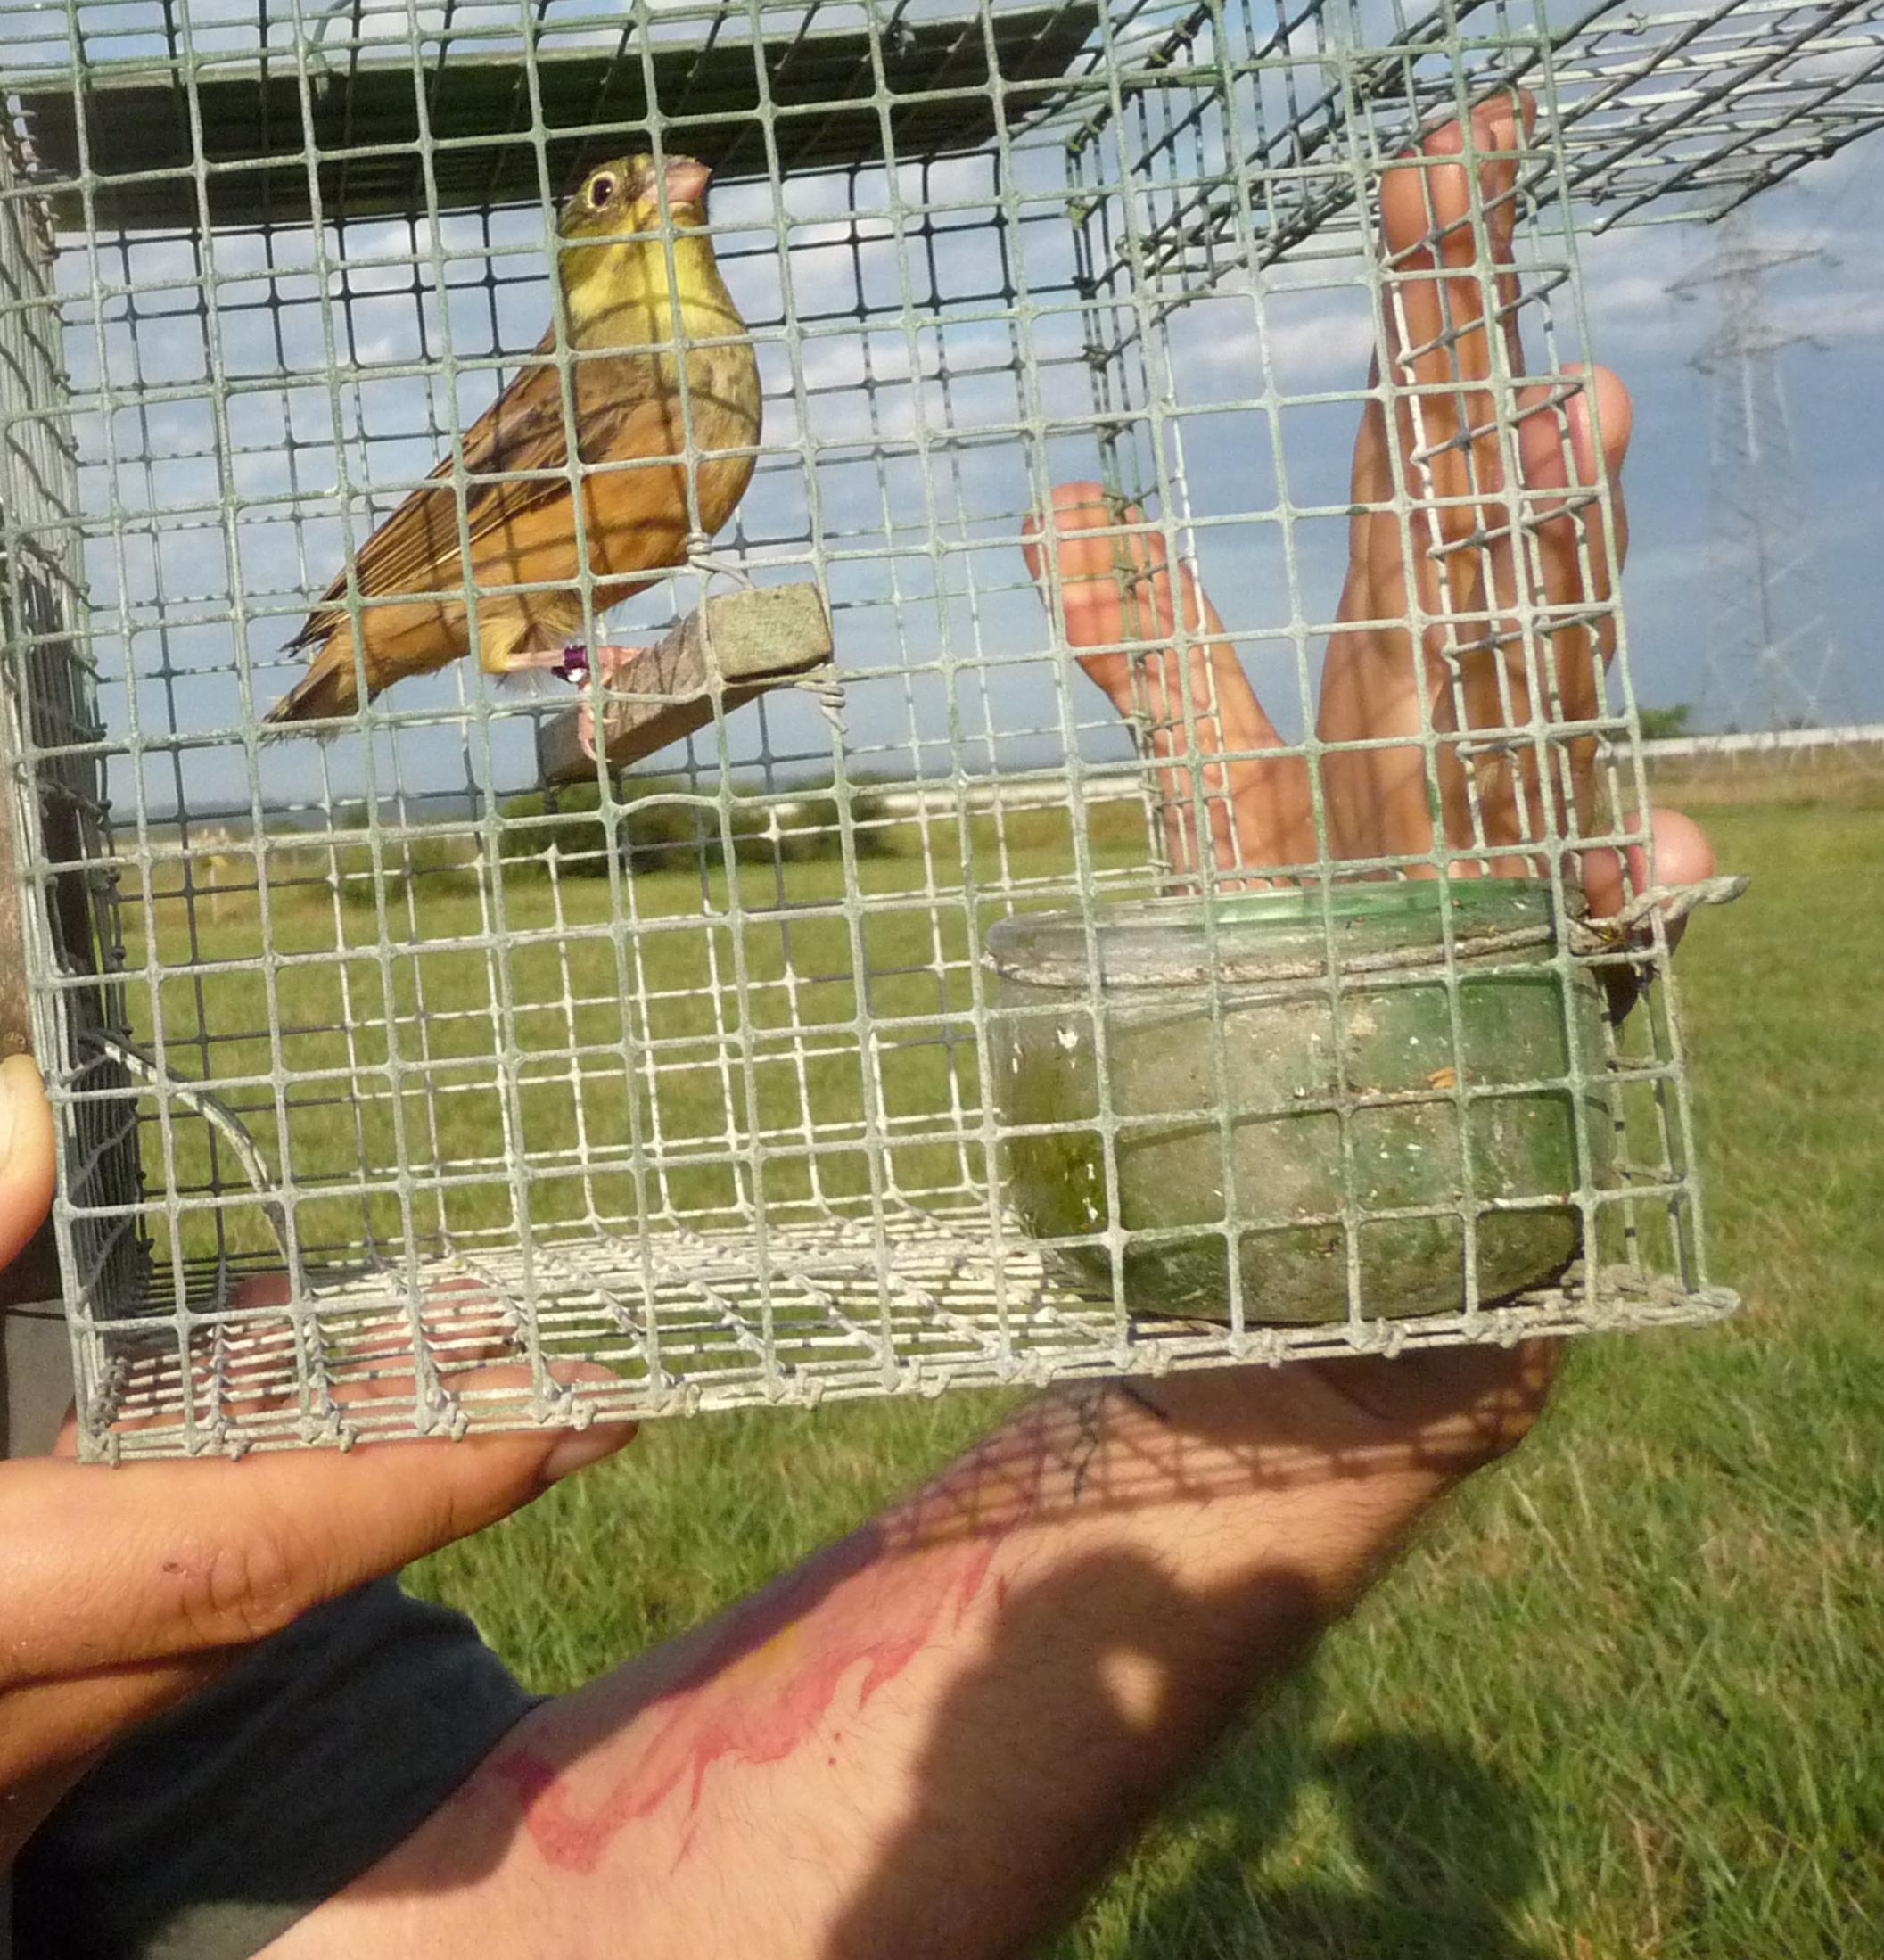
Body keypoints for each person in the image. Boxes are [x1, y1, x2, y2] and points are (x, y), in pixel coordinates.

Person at [2, 98, 1715, 1958]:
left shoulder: (65, 1413)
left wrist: (1304, 1385)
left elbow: (489, 1917)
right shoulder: (604, 366)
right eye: (615, 190)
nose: (668, 190)